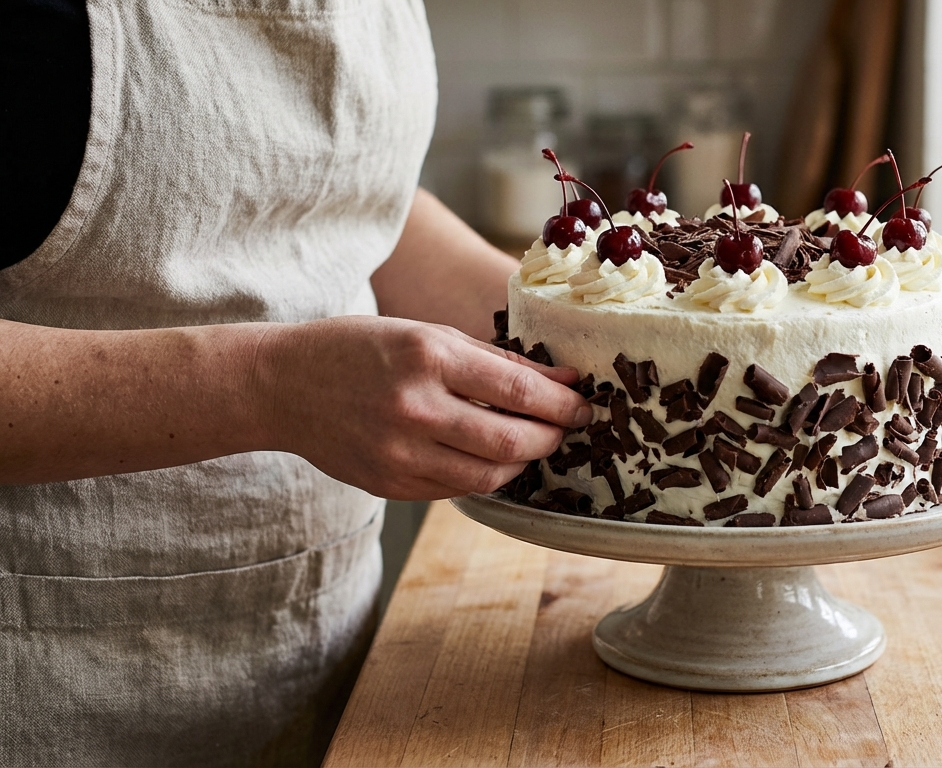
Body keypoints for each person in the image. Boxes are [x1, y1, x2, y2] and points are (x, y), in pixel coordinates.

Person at [0, 0, 588, 764]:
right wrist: (270, 384)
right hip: (58, 671)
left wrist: (596, 331)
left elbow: (346, 203)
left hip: (332, 648)